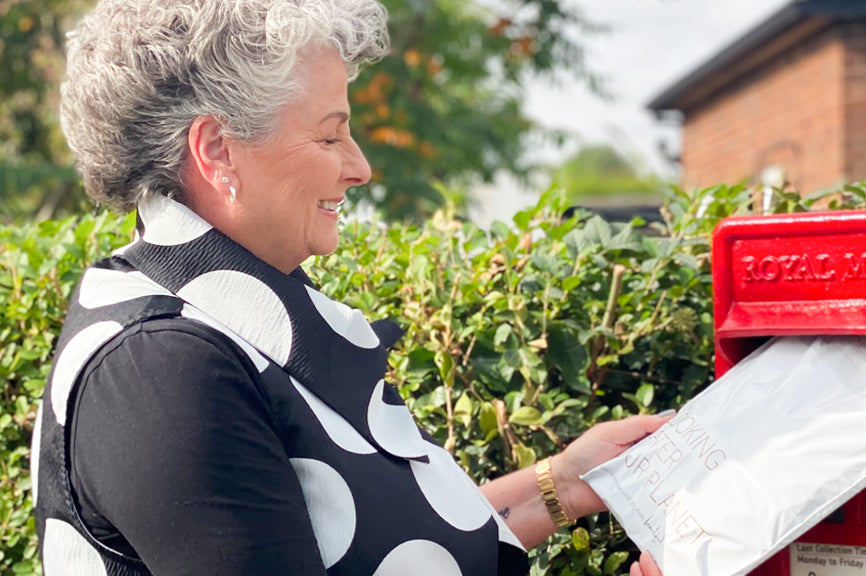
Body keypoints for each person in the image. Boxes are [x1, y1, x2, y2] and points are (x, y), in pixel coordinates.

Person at [31, 0, 668, 574]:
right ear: (218, 151)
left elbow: (379, 547)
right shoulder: (163, 368)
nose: (359, 167)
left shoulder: (226, 327)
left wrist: (561, 483)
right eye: (330, 134)